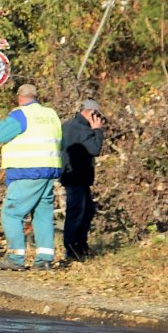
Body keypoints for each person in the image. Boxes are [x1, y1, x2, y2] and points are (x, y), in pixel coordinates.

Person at [0, 82, 64, 271]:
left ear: (19, 98)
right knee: (42, 215)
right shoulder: (51, 114)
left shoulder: (21, 114)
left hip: (27, 171)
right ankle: (45, 258)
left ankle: (15, 257)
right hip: (49, 170)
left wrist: (11, 115)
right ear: (37, 96)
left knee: (11, 213)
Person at [60, 99, 108, 262]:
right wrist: (97, 130)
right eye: (98, 115)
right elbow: (95, 149)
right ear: (91, 112)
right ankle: (73, 249)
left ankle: (79, 246)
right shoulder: (82, 129)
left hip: (71, 175)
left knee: (87, 211)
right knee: (77, 213)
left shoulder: (66, 125)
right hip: (77, 177)